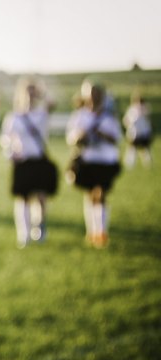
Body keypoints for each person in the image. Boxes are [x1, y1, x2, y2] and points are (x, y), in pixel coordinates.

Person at [0, 78, 58, 248]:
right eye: (28, 92)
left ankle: (39, 227)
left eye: (33, 92)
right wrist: (11, 152)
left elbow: (52, 103)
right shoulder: (14, 117)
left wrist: (42, 93)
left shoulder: (41, 114)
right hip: (23, 161)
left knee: (40, 197)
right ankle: (23, 233)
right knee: (23, 198)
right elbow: (5, 138)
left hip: (38, 159)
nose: (31, 96)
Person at [65, 80, 122, 248]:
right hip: (87, 160)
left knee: (101, 193)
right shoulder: (80, 115)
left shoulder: (109, 116)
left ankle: (101, 231)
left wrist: (101, 134)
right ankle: (92, 231)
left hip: (105, 160)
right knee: (90, 195)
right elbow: (71, 138)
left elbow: (116, 138)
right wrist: (80, 136)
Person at [122, 90, 153, 169]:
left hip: (143, 133)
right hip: (135, 133)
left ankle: (148, 163)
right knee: (133, 149)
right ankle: (130, 164)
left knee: (145, 149)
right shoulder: (132, 110)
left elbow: (147, 120)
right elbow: (126, 120)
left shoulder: (145, 109)